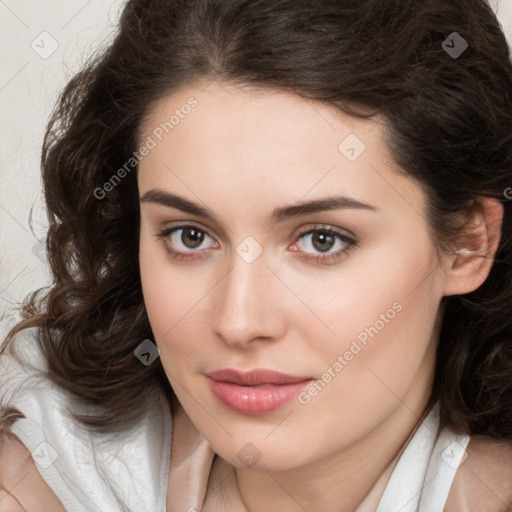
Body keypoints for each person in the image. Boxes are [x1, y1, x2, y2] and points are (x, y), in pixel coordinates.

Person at [1, 0, 511, 510]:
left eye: (321, 240)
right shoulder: (39, 475)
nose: (238, 321)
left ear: (467, 246)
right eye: (190, 236)